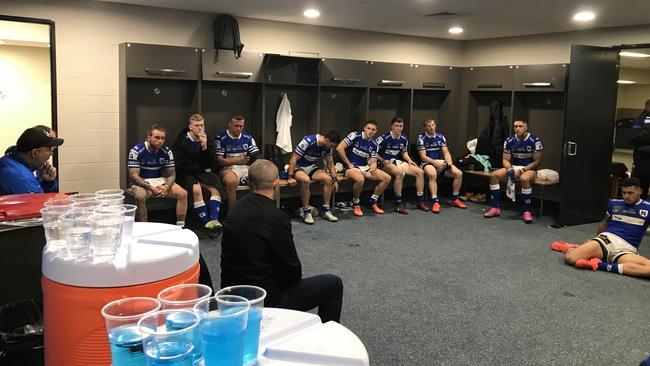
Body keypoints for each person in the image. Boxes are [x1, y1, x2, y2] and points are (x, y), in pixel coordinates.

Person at [220, 159, 343, 323]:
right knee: (333, 285)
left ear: (249, 183)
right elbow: (292, 270)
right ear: (276, 184)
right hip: (265, 301)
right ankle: (328, 344)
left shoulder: (234, 210)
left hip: (232, 297)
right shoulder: (276, 217)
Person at [551, 177, 650, 278]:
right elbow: (604, 223)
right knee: (571, 258)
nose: (626, 196)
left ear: (640, 191)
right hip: (607, 240)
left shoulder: (648, 208)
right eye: (623, 192)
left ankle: (598, 264)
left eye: (630, 193)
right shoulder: (614, 203)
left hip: (627, 249)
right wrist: (595, 240)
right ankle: (579, 249)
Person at [127, 124, 188, 226]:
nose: (160, 141)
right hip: (142, 182)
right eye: (157, 137)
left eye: (163, 138)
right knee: (140, 196)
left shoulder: (166, 151)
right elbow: (134, 176)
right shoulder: (137, 150)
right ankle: (143, 228)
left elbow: (172, 175)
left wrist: (166, 187)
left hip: (159, 180)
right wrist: (151, 188)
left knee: (183, 194)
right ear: (149, 138)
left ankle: (180, 226)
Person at [484, 118, 543, 223]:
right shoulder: (509, 140)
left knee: (524, 178)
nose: (517, 129)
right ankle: (495, 208)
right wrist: (510, 169)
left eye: (520, 126)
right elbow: (505, 160)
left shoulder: (535, 140)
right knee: (495, 175)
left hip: (529, 169)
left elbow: (537, 162)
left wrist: (522, 170)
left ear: (526, 127)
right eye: (515, 126)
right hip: (514, 167)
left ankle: (526, 211)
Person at [172, 114, 223, 231]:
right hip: (185, 173)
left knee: (216, 188)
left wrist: (204, 147)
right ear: (190, 127)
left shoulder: (207, 140)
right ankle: (206, 224)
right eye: (196, 125)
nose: (200, 128)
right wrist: (199, 166)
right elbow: (180, 164)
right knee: (196, 189)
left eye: (202, 125)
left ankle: (213, 220)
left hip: (202, 172)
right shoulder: (181, 141)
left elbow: (210, 163)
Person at [336, 121, 392, 217]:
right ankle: (356, 203)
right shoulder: (355, 135)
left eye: (373, 129)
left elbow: (373, 162)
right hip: (351, 167)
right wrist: (348, 163)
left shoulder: (374, 144)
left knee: (387, 178)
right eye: (369, 128)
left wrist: (372, 169)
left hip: (365, 167)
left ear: (376, 131)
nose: (370, 131)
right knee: (360, 179)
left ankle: (372, 201)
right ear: (364, 128)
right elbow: (339, 148)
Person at [286, 131, 341, 224]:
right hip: (298, 167)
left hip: (310, 167)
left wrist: (335, 180)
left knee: (328, 179)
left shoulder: (327, 147)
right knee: (306, 180)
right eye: (332, 145)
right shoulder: (308, 141)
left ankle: (326, 210)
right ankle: (306, 212)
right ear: (327, 140)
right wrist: (290, 176)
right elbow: (294, 158)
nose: (332, 148)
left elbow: (330, 164)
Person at [376, 117, 428, 213]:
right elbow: (374, 152)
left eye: (401, 126)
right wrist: (382, 160)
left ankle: (420, 201)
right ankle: (398, 203)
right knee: (399, 173)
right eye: (396, 126)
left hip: (397, 161)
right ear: (392, 126)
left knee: (420, 171)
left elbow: (404, 152)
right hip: (385, 163)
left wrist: (409, 160)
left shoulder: (404, 137)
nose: (399, 128)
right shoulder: (384, 137)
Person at [416, 118, 466, 213]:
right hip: (427, 163)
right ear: (425, 128)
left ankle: (455, 198)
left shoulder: (440, 137)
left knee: (458, 173)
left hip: (439, 162)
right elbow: (423, 157)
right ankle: (435, 201)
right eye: (429, 126)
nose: (431, 127)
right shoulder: (421, 138)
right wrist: (435, 163)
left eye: (433, 125)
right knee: (432, 174)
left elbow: (446, 152)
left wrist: (449, 164)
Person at [0, 127, 64, 195]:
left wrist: (47, 183)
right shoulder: (18, 177)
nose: (52, 153)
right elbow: (39, 204)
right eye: (49, 149)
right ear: (34, 153)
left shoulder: (14, 163)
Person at [215, 114, 259, 208]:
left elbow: (255, 155)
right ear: (230, 125)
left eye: (241, 126)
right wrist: (236, 161)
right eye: (236, 126)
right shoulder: (221, 138)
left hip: (246, 167)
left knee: (263, 177)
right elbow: (219, 161)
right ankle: (232, 214)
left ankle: (256, 211)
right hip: (229, 169)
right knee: (231, 182)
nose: (239, 129)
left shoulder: (247, 137)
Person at [631, 98, 650, 200]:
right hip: (642, 160)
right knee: (641, 187)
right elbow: (634, 139)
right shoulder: (640, 119)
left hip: (642, 160)